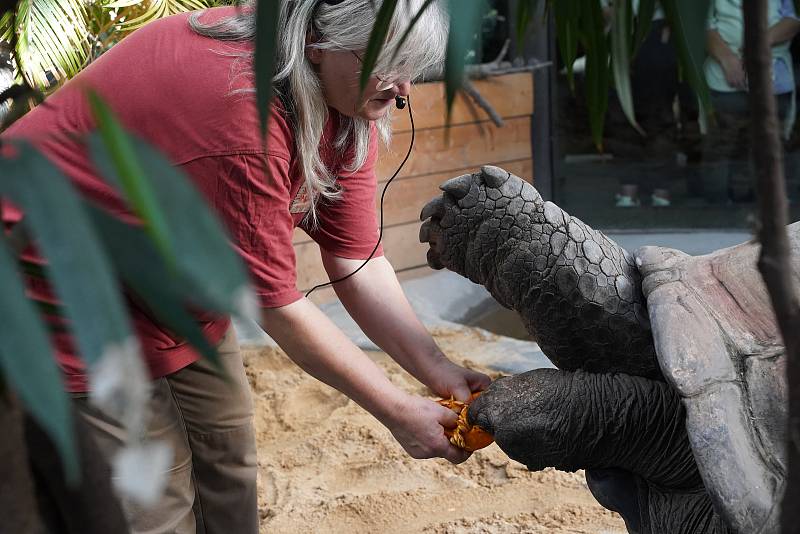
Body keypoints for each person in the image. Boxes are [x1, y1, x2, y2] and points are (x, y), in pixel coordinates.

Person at [0, 1, 491, 532]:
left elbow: (357, 258)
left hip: (163, 275)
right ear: (318, 45)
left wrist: (435, 369)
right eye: (388, 67)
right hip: (51, 275)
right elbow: (276, 305)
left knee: (228, 467)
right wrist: (397, 411)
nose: (402, 92)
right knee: (152, 507)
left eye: (411, 70)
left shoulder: (346, 103)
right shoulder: (240, 108)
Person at [701, 0, 800, 202]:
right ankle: (715, 203)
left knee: (771, 142)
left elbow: (793, 19)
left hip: (774, 76)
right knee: (721, 143)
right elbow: (701, 24)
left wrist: (758, 43)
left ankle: (768, 202)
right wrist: (727, 59)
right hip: (724, 76)